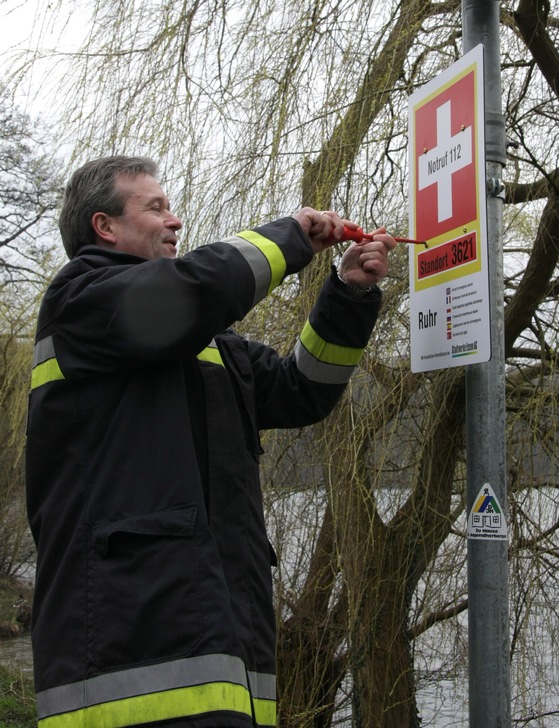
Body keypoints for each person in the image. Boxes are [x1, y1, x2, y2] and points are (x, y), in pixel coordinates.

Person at [25, 155, 396, 728]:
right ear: (105, 227)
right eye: (155, 207)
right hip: (127, 662)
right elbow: (196, 288)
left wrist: (347, 293)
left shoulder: (213, 346)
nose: (175, 220)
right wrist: (291, 236)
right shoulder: (82, 302)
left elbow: (303, 390)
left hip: (225, 655)